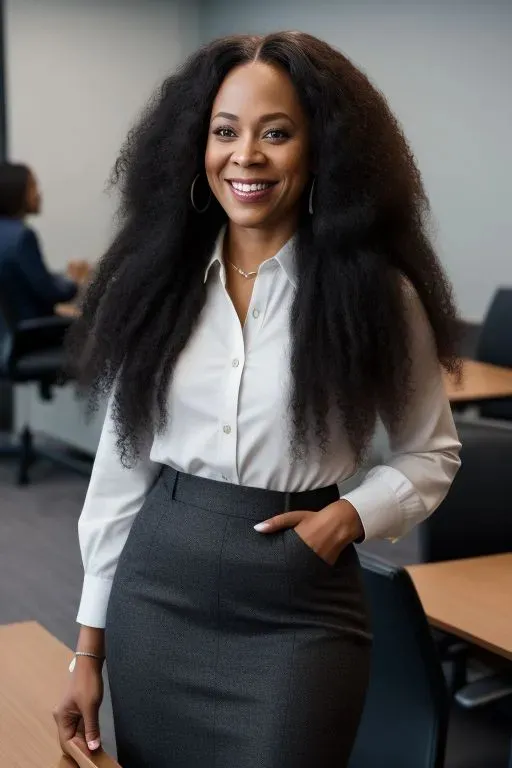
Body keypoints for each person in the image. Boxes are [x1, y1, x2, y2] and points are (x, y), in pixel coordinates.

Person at [55, 32, 462, 768]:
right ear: (194, 147)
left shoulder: (376, 295)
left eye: (277, 133)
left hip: (298, 608)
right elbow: (119, 475)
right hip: (157, 594)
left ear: (320, 151)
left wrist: (350, 517)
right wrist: (86, 649)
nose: (246, 155)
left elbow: (432, 450)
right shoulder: (155, 288)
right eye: (225, 132)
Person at [0, 163, 78, 323]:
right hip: (29, 336)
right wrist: (74, 280)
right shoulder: (23, 237)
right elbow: (51, 292)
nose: (38, 194)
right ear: (16, 192)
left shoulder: (6, 232)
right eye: (33, 186)